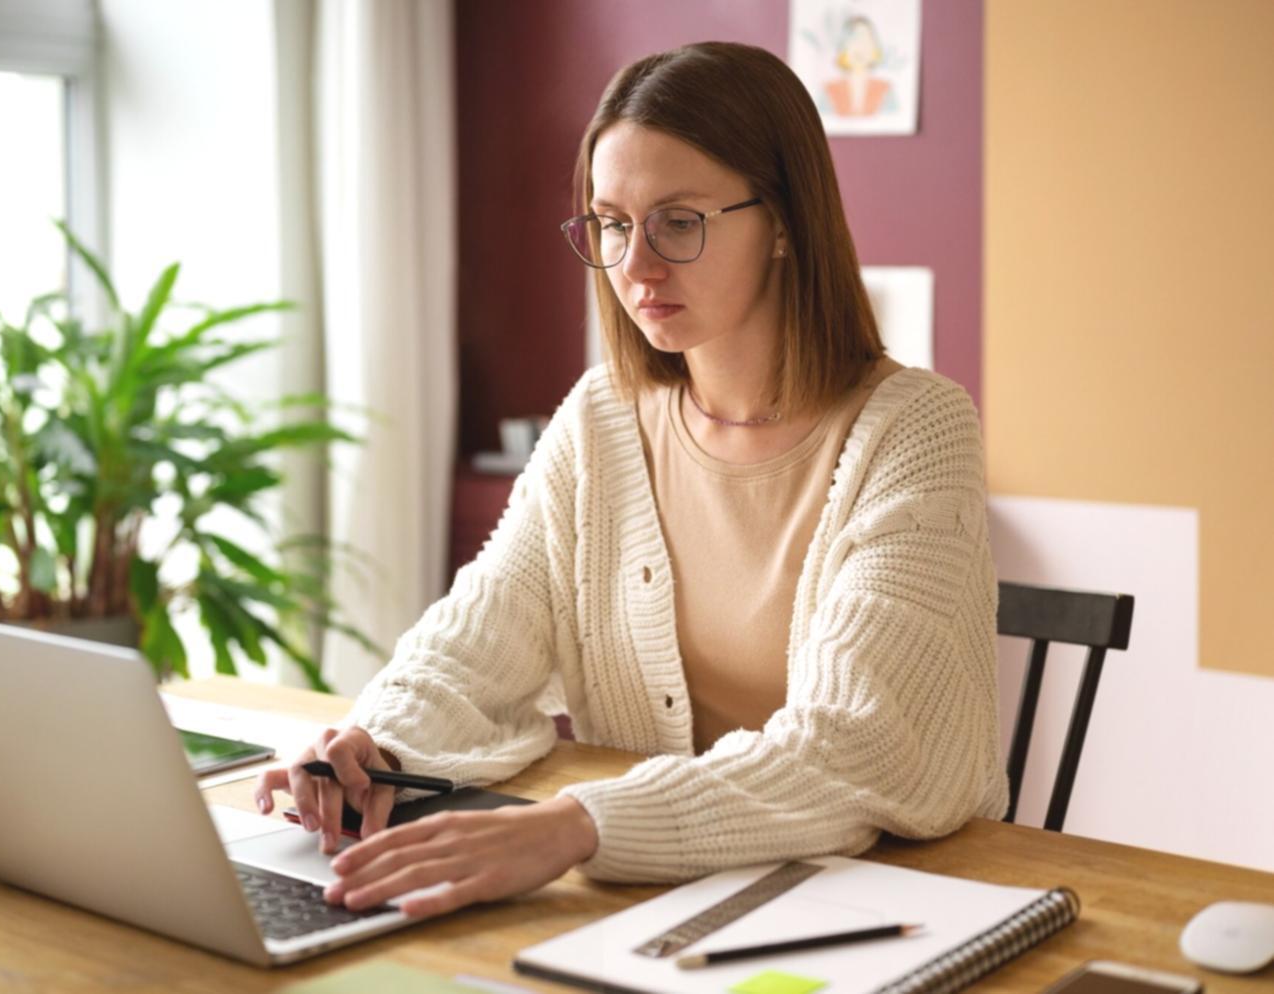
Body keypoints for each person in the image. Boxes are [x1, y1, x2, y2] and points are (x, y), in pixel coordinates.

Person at [255, 40, 1008, 918]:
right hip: (654, 901)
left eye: (678, 221)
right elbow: (482, 633)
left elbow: (851, 745)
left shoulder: (918, 429)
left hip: (887, 906)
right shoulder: (604, 415)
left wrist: (577, 825)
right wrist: (376, 742)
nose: (636, 268)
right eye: (612, 224)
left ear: (785, 224)